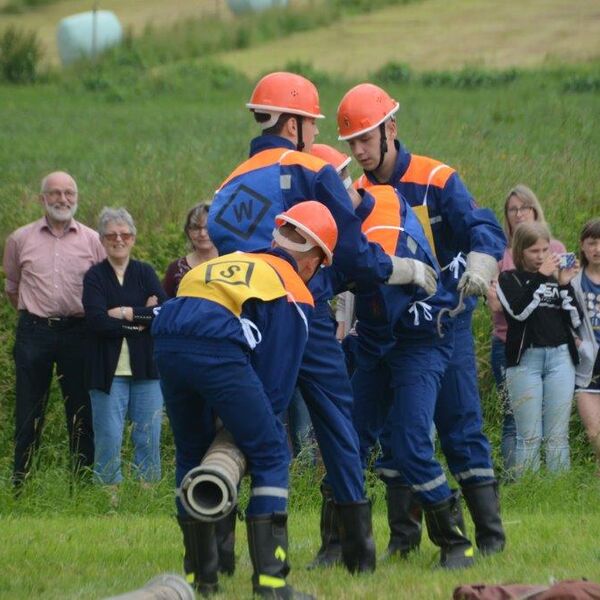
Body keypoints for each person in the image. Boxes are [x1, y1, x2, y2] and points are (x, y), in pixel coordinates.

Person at [207, 72, 437, 574]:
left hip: (240, 315)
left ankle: (219, 552)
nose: (314, 134)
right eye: (311, 123)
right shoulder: (311, 168)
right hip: (301, 311)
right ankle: (359, 552)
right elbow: (352, 251)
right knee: (337, 422)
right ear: (292, 124)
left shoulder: (225, 186)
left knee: (251, 423)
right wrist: (396, 269)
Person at [337, 83, 507, 558]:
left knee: (459, 427)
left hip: (443, 326)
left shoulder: (437, 178)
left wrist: (480, 264)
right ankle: (403, 541)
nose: (359, 151)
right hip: (382, 332)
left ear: (391, 128)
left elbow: (484, 228)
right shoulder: (357, 193)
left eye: (366, 139)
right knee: (397, 436)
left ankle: (489, 540)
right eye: (351, 143)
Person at [153, 202, 338, 599]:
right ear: (313, 260)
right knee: (271, 452)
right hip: (215, 342)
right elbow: (276, 379)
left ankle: (201, 578)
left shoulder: (229, 260)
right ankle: (272, 583)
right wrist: (255, 425)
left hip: (166, 336)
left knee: (191, 452)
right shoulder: (293, 287)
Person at [311, 143, 477, 569]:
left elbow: (374, 288)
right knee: (347, 440)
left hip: (419, 342)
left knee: (409, 442)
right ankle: (336, 546)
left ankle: (456, 542)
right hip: (375, 340)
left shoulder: (384, 211)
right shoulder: (336, 224)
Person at [3, 171, 105, 488]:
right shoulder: (20, 239)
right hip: (35, 332)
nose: (62, 199)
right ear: (42, 199)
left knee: (80, 410)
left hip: (79, 333)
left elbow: (102, 288)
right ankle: (21, 484)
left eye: (69, 193)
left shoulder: (92, 240)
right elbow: (13, 288)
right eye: (55, 193)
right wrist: (38, 316)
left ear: (77, 197)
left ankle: (82, 485)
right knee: (29, 408)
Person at [82, 207, 166, 489]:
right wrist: (140, 319)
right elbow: (96, 321)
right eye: (111, 235)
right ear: (102, 240)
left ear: (133, 238)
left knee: (149, 434)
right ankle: (109, 494)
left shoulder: (145, 272)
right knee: (109, 435)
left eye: (125, 234)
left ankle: (148, 493)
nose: (119, 239)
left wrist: (125, 312)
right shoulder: (94, 276)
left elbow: (163, 314)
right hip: (108, 370)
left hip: (146, 369)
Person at [487, 185, 566, 475]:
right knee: (514, 417)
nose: (519, 214)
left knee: (553, 420)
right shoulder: (500, 254)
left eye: (525, 207)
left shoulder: (555, 249)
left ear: (535, 210)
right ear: (506, 217)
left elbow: (565, 293)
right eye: (512, 209)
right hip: (510, 342)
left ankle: (553, 484)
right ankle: (515, 481)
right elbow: (495, 305)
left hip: (551, 343)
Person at [496, 221, 582, 477]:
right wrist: (541, 277)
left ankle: (558, 494)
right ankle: (528, 492)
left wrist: (565, 284)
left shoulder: (556, 280)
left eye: (545, 250)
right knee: (528, 436)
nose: (542, 256)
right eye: (534, 251)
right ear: (520, 251)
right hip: (525, 362)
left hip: (560, 358)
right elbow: (518, 311)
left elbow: (576, 321)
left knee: (558, 436)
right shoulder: (507, 278)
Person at [572, 219, 600, 472]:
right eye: (592, 243)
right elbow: (562, 317)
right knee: (595, 433)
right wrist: (578, 342)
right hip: (587, 365)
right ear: (583, 245)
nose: (597, 249)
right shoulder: (574, 282)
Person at [163, 202, 218, 298]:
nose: (202, 233)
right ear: (187, 231)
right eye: (196, 228)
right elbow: (165, 306)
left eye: (207, 227)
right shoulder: (175, 269)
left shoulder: (233, 264)